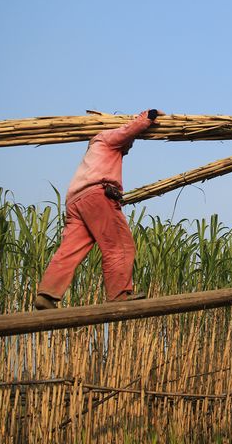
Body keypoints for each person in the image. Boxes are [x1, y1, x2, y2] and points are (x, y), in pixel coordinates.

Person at [34, 109, 161, 310]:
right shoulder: (106, 138)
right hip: (97, 196)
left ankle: (47, 294)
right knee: (119, 244)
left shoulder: (93, 149)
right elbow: (129, 131)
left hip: (77, 201)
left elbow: (127, 137)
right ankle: (119, 294)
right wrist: (150, 115)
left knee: (70, 249)